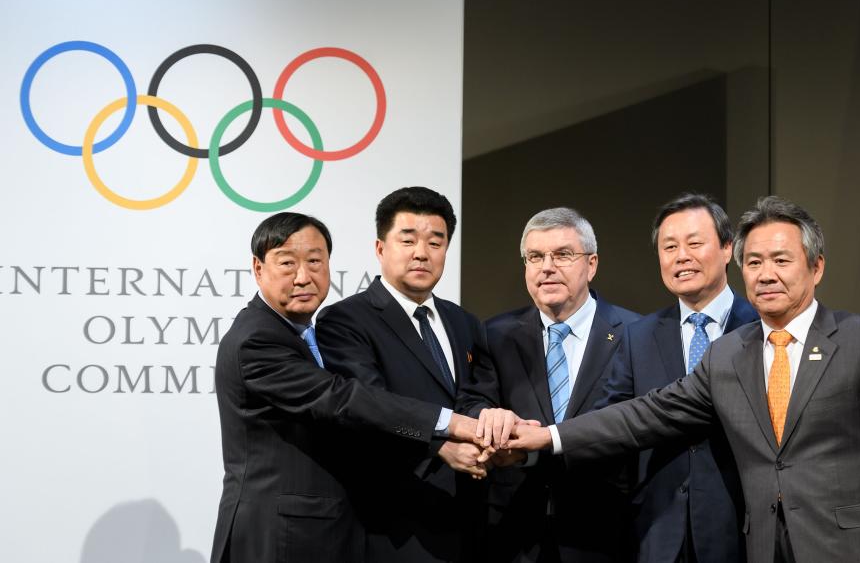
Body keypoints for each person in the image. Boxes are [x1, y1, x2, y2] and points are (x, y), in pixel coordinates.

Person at [506, 197, 860, 563]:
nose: (766, 274)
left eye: (781, 260)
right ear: (740, 266)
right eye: (754, 262)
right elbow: (645, 413)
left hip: (849, 548)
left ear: (816, 267)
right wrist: (548, 436)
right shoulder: (730, 354)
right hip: (763, 547)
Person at [211, 212, 482, 563]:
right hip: (279, 535)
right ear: (258, 268)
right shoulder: (257, 340)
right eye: (287, 263)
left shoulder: (304, 333)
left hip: (327, 530)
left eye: (315, 262)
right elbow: (340, 400)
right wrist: (449, 425)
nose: (303, 277)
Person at [459, 207, 641, 562]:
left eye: (562, 255)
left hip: (604, 529)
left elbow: (639, 424)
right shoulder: (495, 333)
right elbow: (471, 402)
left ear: (591, 264)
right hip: (513, 530)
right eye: (535, 257)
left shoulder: (634, 333)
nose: (547, 267)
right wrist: (491, 417)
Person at [317, 187, 487, 562]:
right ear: (381, 249)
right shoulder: (345, 320)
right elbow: (368, 407)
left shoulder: (465, 322)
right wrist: (438, 446)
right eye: (407, 240)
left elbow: (476, 395)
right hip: (394, 522)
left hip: (470, 516)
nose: (421, 253)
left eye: (435, 242)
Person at [597, 193, 756, 562]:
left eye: (694, 243)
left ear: (727, 249)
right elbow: (615, 423)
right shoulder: (638, 336)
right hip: (657, 532)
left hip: (742, 530)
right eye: (669, 247)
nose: (681, 255)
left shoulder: (760, 326)